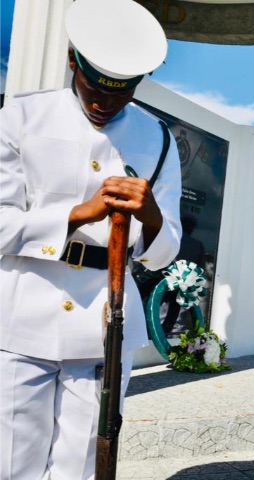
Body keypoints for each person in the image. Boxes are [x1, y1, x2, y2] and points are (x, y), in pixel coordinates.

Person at [0, 1, 181, 478]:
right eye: (94, 87)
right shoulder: (22, 117)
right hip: (23, 316)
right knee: (12, 460)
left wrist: (151, 215)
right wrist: (81, 213)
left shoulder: (158, 139)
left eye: (120, 94)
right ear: (72, 61)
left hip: (104, 324)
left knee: (80, 465)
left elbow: (166, 252)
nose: (104, 103)